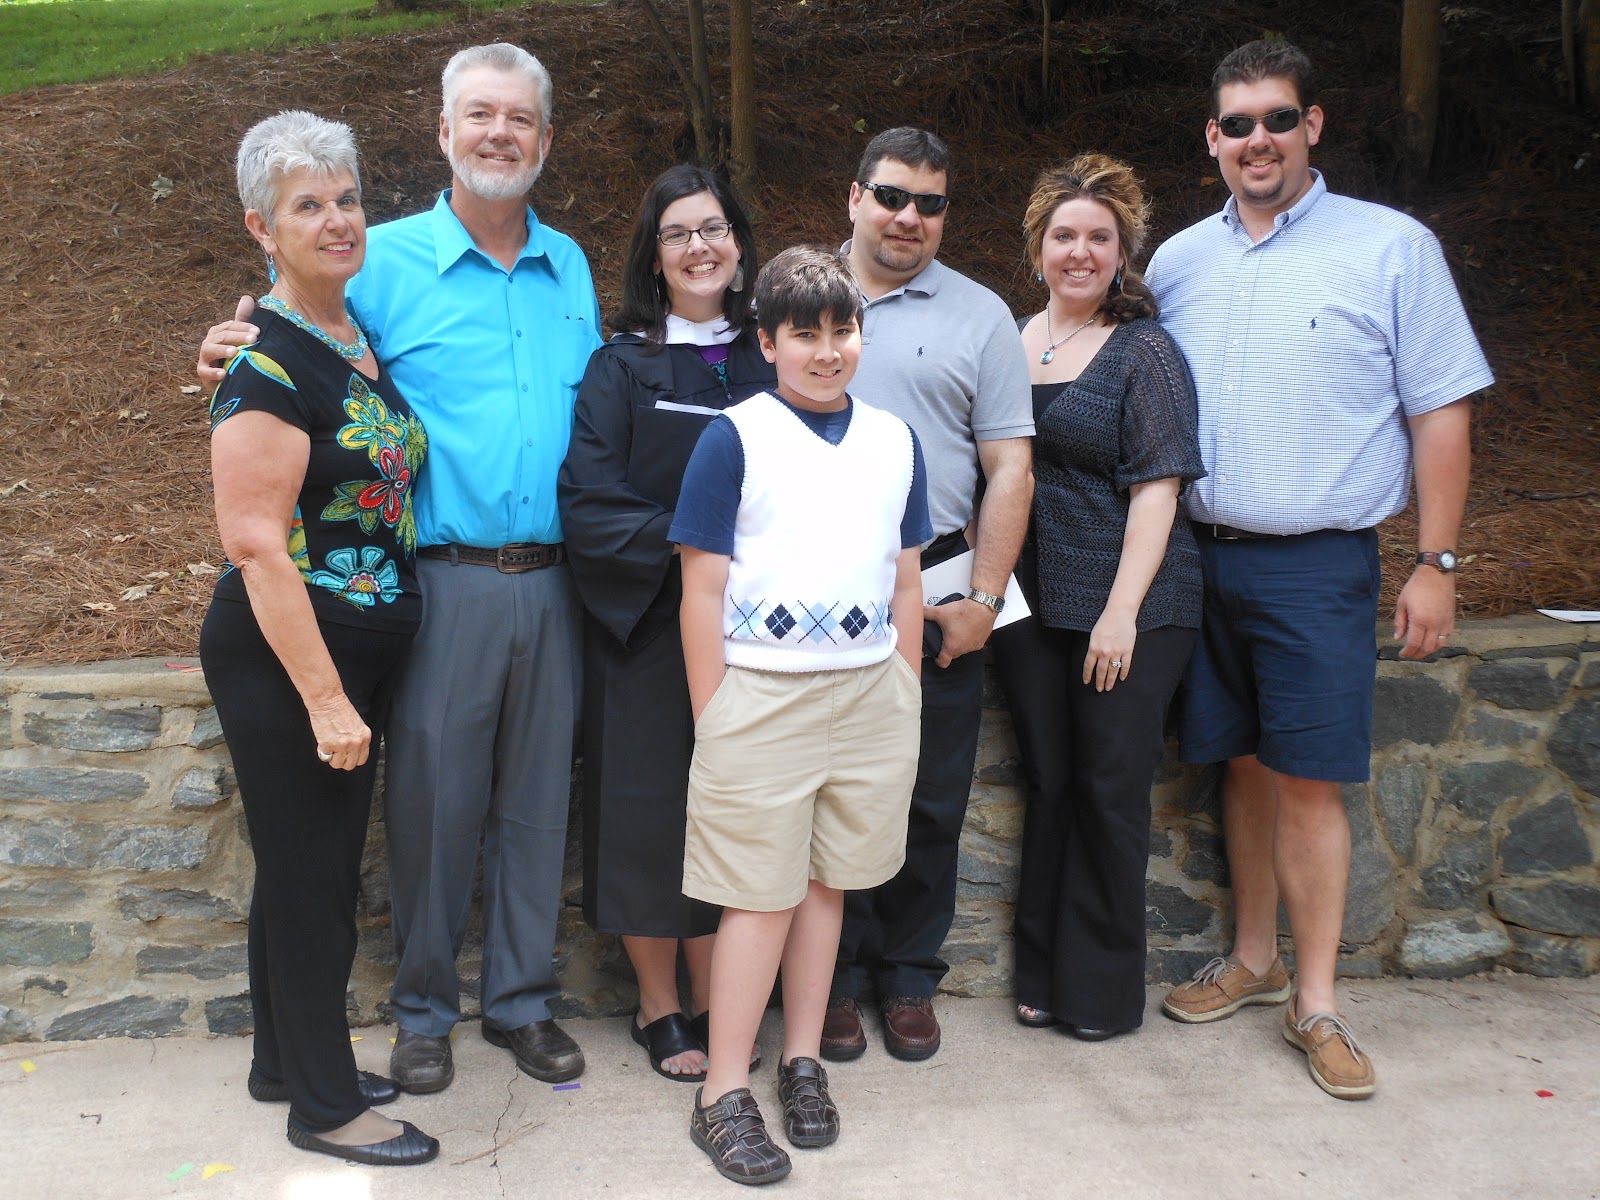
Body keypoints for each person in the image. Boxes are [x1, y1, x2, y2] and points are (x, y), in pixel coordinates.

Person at [198, 43, 601, 1094]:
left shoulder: (571, 268)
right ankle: (423, 1013)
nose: (499, 134)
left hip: (556, 578)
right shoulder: (381, 257)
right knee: (432, 802)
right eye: (480, 115)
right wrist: (230, 337)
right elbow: (297, 324)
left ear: (544, 137)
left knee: (536, 806)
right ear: (444, 131)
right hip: (446, 574)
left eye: (519, 118)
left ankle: (521, 1003)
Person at [1145, 39, 1491, 1100]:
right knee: (1240, 765)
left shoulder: (1391, 249)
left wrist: (1435, 561)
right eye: (1238, 123)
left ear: (1313, 126)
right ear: (1212, 137)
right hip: (1203, 559)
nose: (1259, 139)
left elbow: (1441, 408)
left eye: (1278, 119)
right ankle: (1252, 961)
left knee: (1305, 777)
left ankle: (1318, 1001)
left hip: (1317, 564)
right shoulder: (1176, 263)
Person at [199, 110, 437, 1166]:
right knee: (315, 881)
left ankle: (280, 1063)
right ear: (262, 227)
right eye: (309, 205)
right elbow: (256, 543)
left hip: (351, 640)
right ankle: (328, 1108)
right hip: (292, 653)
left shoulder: (349, 333)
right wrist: (327, 698)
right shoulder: (264, 362)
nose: (337, 220)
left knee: (300, 867)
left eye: (347, 199)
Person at [671, 246, 930, 1185]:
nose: (827, 352)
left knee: (829, 885)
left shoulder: (895, 440)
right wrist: (716, 713)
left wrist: (903, 688)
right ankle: (723, 1093)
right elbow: (701, 590)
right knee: (758, 893)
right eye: (805, 334)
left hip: (867, 694)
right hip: (761, 694)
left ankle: (803, 1060)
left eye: (842, 331)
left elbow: (906, 578)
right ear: (768, 342)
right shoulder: (733, 438)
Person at [558, 165, 774, 1083]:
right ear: (654, 255)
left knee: (737, 812)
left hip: (762, 631)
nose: (699, 247)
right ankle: (658, 1002)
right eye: (678, 233)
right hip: (647, 622)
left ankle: (719, 992)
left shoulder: (776, 354)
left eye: (714, 228)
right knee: (648, 812)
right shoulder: (621, 367)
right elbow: (590, 499)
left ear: (739, 244)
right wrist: (698, 550)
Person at [822, 128, 1033, 1064]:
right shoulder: (799, 294)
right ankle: (827, 979)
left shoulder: (981, 316)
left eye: (931, 203)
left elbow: (1010, 467)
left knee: (929, 798)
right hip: (817, 590)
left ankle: (908, 976)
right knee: (826, 795)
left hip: (941, 583)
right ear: (855, 196)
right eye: (892, 196)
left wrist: (984, 597)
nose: (909, 216)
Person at [989, 155, 1205, 1042]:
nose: (1080, 252)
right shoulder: (1010, 339)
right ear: (1038, 246)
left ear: (1124, 252)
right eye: (1064, 235)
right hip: (1031, 604)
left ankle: (1102, 994)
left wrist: (1121, 613)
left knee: (1109, 788)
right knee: (1050, 781)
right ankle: (1040, 973)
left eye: (1099, 238)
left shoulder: (1145, 350)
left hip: (1131, 602)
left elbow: (1159, 488)